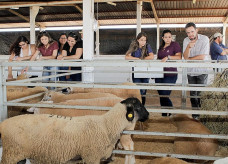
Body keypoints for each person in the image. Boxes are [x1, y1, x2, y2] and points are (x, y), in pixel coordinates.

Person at [183, 22, 210, 119]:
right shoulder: (186, 40)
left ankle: (202, 113)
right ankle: (195, 115)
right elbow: (185, 56)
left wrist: (190, 59)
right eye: (188, 32)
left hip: (202, 71)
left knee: (200, 93)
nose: (190, 34)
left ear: (196, 30)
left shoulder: (205, 39)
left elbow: (203, 57)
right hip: (191, 72)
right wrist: (188, 47)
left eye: (192, 31)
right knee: (193, 94)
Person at [155, 29, 182, 116]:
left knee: (164, 94)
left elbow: (179, 57)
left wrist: (168, 57)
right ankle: (164, 113)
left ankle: (170, 110)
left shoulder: (175, 45)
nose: (168, 39)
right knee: (161, 95)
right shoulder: (160, 48)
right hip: (159, 74)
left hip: (170, 74)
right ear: (162, 38)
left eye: (169, 37)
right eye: (166, 37)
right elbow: (158, 60)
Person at [125, 32, 154, 106]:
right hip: (136, 71)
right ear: (138, 40)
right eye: (141, 40)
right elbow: (127, 57)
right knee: (137, 90)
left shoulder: (147, 46)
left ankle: (142, 106)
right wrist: (137, 59)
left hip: (145, 71)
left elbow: (151, 56)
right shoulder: (134, 45)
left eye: (145, 40)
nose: (143, 42)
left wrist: (142, 59)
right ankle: (137, 106)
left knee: (144, 90)